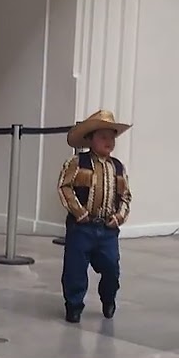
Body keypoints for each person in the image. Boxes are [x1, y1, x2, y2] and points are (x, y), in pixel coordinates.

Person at [57, 110, 133, 323]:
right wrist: (79, 212)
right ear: (90, 139)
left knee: (111, 267)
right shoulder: (76, 162)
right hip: (82, 227)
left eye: (112, 138)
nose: (108, 142)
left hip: (107, 230)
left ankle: (108, 298)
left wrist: (119, 217)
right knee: (75, 269)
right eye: (103, 137)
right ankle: (73, 305)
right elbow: (65, 187)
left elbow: (125, 195)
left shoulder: (117, 167)